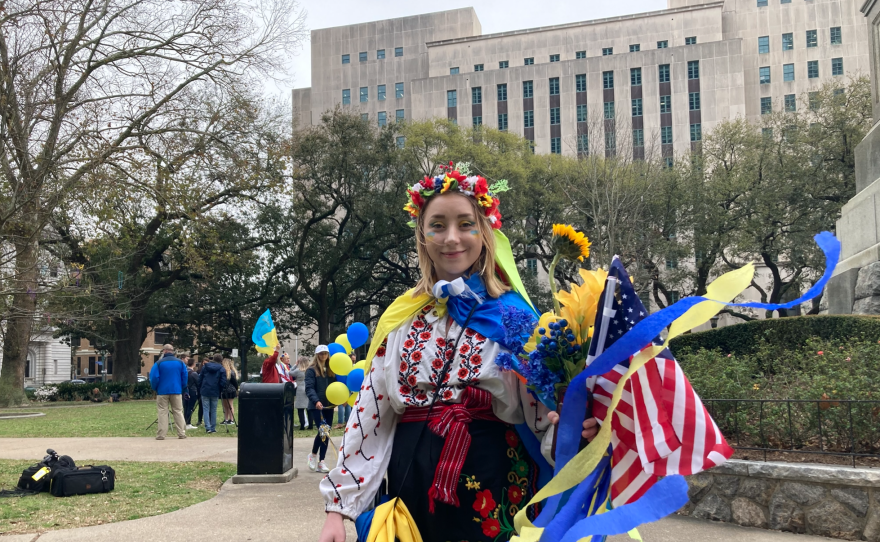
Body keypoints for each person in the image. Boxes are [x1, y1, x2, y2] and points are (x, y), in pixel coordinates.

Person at [318, 169, 600, 542]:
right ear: (422, 236)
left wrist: (575, 433)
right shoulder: (401, 319)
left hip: (494, 484)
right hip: (411, 485)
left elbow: (543, 417)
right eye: (437, 225)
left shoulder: (514, 318)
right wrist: (339, 510)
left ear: (484, 233)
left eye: (465, 224)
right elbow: (370, 416)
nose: (451, 238)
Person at [148, 344, 189, 440]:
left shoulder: (158, 363)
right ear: (172, 351)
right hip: (176, 390)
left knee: (162, 412)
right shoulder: (180, 363)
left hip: (162, 391)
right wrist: (183, 387)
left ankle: (161, 434)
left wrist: (155, 388)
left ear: (164, 351)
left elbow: (154, 378)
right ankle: (181, 433)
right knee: (178, 411)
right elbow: (185, 376)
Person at [305, 345, 335, 473]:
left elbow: (336, 386)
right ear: (317, 355)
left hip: (329, 405)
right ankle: (314, 456)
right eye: (321, 353)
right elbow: (309, 388)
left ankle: (320, 461)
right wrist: (316, 400)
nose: (323, 356)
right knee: (323, 431)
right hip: (316, 406)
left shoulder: (331, 369)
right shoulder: (311, 370)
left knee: (325, 432)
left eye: (325, 353)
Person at [199, 354, 228, 433]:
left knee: (205, 409)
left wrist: (200, 387)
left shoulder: (205, 366)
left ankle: (207, 427)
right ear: (221, 361)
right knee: (213, 410)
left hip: (205, 389)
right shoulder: (221, 368)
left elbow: (200, 378)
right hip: (215, 390)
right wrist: (220, 389)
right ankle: (213, 427)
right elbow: (223, 381)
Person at [334, 352, 356, 428]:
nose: (353, 361)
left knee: (343, 405)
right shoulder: (347, 367)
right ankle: (347, 422)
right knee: (346, 405)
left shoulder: (347, 367)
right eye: (352, 360)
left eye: (354, 360)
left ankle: (341, 422)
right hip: (343, 387)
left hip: (346, 387)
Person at [290, 356, 311, 431]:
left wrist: (295, 364)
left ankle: (302, 425)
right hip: (309, 388)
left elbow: (290, 372)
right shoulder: (310, 370)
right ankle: (310, 425)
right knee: (309, 408)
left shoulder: (298, 370)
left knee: (300, 409)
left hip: (300, 388)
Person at [220, 357, 239, 425]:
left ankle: (231, 419)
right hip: (227, 390)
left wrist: (236, 389)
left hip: (230, 390)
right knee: (225, 405)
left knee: (230, 405)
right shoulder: (226, 372)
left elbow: (234, 382)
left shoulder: (230, 372)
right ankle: (226, 419)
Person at [184, 356, 200, 429]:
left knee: (186, 407)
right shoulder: (194, 373)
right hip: (192, 391)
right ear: (193, 364)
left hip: (185, 391)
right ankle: (188, 423)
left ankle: (185, 422)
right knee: (190, 407)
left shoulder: (184, 371)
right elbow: (198, 383)